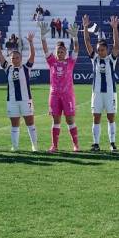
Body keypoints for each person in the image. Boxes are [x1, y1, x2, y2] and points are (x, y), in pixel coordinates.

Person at [0, 30, 38, 151]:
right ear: (11, 59)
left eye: (17, 57)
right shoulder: (8, 68)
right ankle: (15, 147)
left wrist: (30, 42)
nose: (15, 59)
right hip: (12, 101)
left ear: (21, 58)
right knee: (14, 124)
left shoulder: (26, 67)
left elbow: (32, 56)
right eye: (13, 58)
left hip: (26, 100)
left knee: (30, 123)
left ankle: (34, 146)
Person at [40, 21, 80, 152]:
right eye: (59, 51)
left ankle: (76, 145)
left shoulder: (70, 62)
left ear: (65, 52)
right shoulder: (52, 62)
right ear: (56, 52)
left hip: (67, 95)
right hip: (54, 95)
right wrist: (43, 37)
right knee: (56, 121)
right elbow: (45, 50)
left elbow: (76, 49)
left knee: (70, 120)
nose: (61, 53)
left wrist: (75, 38)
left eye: (62, 51)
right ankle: (54, 146)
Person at [82, 14, 119, 152]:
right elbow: (87, 41)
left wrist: (115, 28)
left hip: (110, 94)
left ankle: (112, 143)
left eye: (102, 50)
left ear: (107, 50)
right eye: (98, 50)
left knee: (111, 118)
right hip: (97, 93)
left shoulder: (111, 59)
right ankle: (96, 144)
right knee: (96, 118)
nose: (99, 51)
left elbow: (116, 45)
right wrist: (85, 27)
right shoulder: (95, 59)